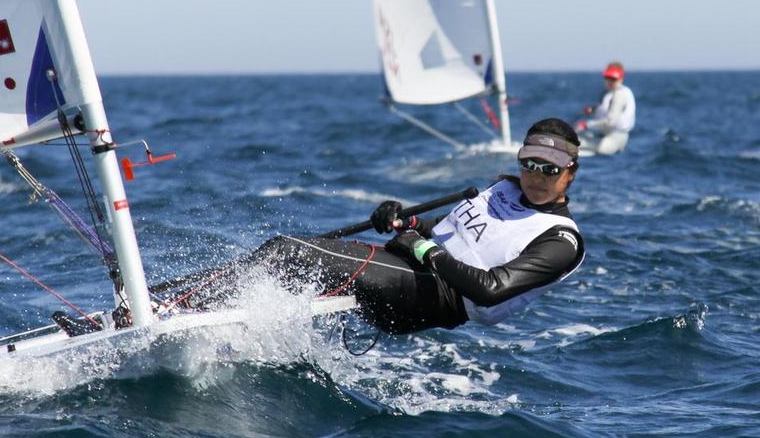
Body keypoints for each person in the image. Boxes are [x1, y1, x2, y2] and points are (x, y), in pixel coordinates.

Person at [154, 118, 586, 335]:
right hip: (407, 268)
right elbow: (446, 228)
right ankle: (168, 306)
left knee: (289, 252)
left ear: (570, 173)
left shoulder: (561, 240)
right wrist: (406, 220)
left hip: (439, 299)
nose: (535, 175)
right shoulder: (504, 188)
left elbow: (491, 288)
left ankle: (167, 311)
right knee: (284, 261)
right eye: (529, 163)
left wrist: (422, 249)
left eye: (549, 170)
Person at [578, 62, 636, 155]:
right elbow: (605, 109)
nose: (610, 81)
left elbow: (611, 122)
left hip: (616, 138)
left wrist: (587, 124)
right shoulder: (609, 93)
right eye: (607, 78)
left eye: (613, 79)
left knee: (574, 144)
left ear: (621, 79)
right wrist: (592, 110)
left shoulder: (620, 94)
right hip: (604, 134)